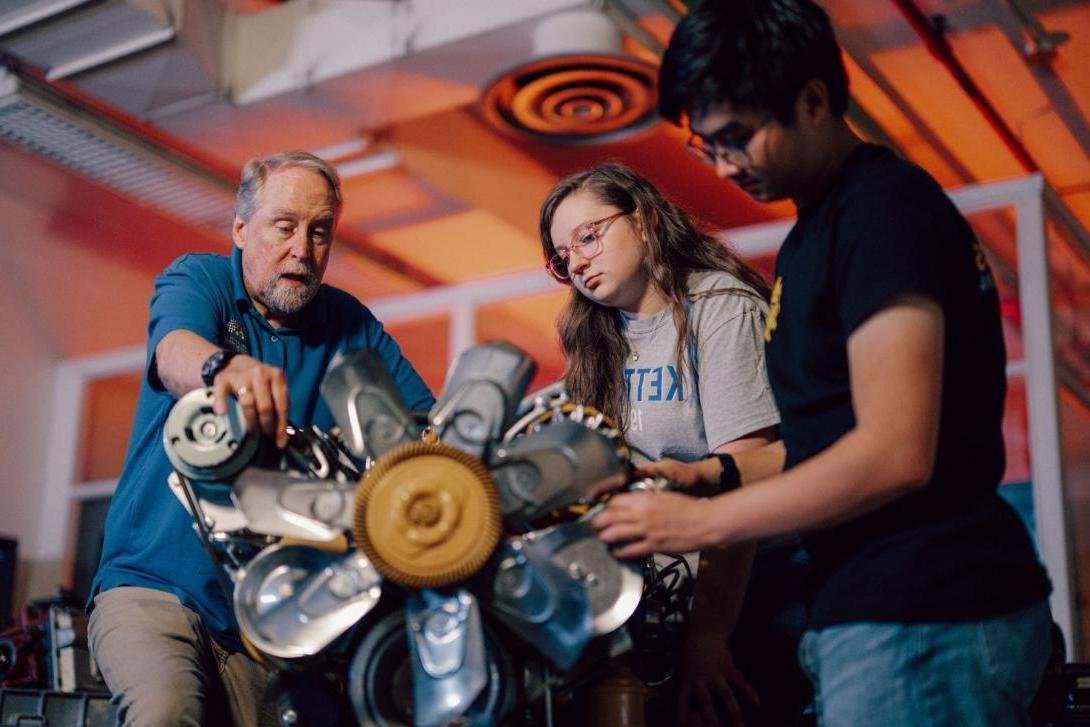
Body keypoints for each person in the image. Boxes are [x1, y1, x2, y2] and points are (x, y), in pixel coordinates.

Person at [593, 2, 1054, 726]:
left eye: (736, 137)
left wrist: (696, 525)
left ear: (812, 99)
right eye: (705, 146)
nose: (721, 163)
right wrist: (705, 477)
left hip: (925, 610)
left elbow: (894, 453)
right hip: (873, 612)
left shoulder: (881, 211)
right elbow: (827, 445)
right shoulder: (815, 234)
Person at [87, 151, 435, 726]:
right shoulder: (201, 279)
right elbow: (174, 351)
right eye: (285, 226)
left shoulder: (351, 325)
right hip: (151, 587)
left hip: (267, 620)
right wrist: (223, 369)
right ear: (241, 228)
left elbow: (427, 431)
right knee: (166, 711)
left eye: (320, 232)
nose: (303, 249)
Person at [541, 162, 810, 725]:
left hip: (752, 594)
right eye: (563, 256)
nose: (578, 261)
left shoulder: (719, 307)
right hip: (663, 601)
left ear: (643, 220)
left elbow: (742, 484)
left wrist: (710, 637)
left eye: (589, 236)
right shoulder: (600, 340)